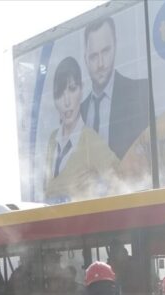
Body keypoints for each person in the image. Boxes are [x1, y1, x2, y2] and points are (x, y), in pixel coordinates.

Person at [43, 56, 119, 203]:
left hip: (81, 223)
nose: (66, 101)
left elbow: (120, 178)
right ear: (54, 100)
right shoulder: (53, 140)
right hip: (54, 223)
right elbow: (47, 190)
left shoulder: (89, 140)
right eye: (60, 94)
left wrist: (98, 193)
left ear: (82, 89)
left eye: (72, 89)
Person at [79, 16, 151, 161]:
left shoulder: (140, 93)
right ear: (85, 59)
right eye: (93, 56)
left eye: (105, 51)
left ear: (116, 46)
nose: (100, 64)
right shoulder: (79, 113)